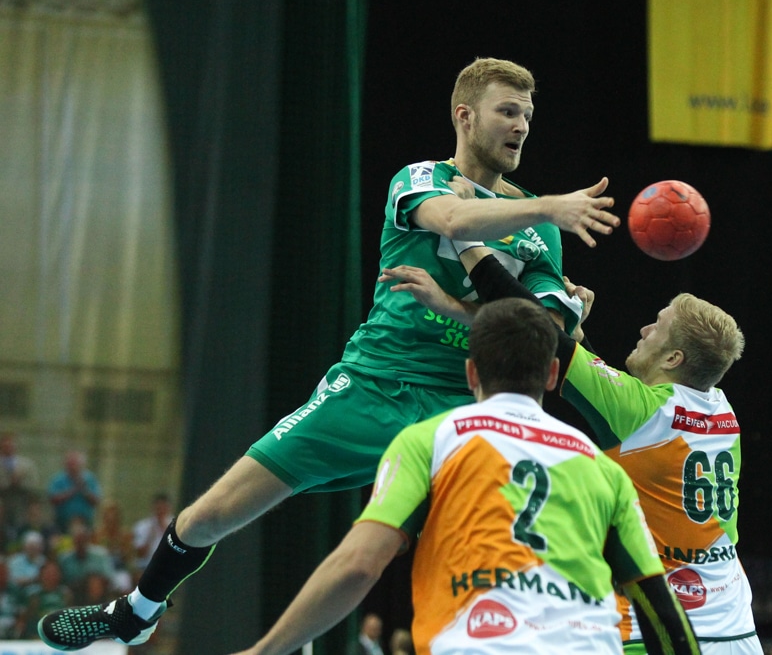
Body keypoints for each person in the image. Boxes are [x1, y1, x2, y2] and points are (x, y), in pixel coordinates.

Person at [37, 56, 620, 650]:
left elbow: (539, 327)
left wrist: (458, 307)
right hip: (373, 382)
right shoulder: (422, 180)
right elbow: (453, 217)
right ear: (464, 116)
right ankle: (136, 612)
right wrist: (550, 205)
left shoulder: (539, 231)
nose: (521, 125)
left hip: (459, 408)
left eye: (527, 114)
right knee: (214, 512)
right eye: (507, 111)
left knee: (417, 555)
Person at [228, 299, 699, 655]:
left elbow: (357, 565)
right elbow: (661, 613)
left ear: (471, 372)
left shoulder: (432, 441)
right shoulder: (601, 469)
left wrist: (264, 650)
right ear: (554, 374)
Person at [379, 240, 755, 655]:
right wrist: (574, 333)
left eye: (657, 327)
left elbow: (537, 331)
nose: (645, 330)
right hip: (735, 624)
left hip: (655, 631)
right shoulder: (721, 410)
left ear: (673, 359)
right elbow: (612, 400)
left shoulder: (640, 411)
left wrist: (468, 247)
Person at [46, 450, 102, 532]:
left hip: (85, 523)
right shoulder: (58, 479)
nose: (72, 467)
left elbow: (97, 500)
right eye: (70, 464)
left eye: (74, 464)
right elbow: (52, 499)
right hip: (62, 523)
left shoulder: (90, 479)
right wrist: (72, 491)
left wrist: (85, 490)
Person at [0, 430, 41, 530]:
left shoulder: (27, 465)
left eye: (11, 444)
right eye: (5, 445)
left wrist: (20, 482)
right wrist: (9, 482)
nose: (8, 447)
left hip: (22, 507)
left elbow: (34, 486)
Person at [130, 493, 173, 576]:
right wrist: (150, 535)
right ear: (153, 508)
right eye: (158, 508)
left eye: (163, 509)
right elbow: (140, 554)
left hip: (168, 566)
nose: (161, 512)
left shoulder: (176, 526)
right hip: (145, 566)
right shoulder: (142, 526)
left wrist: (165, 530)